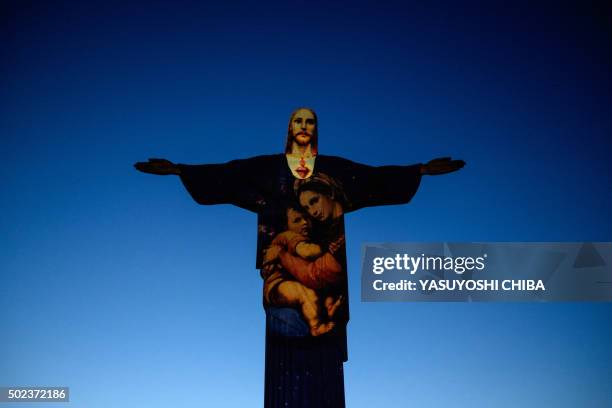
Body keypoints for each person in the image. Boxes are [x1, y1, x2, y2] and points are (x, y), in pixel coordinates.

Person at [134, 107, 465, 407]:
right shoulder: (267, 169)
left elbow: (373, 178)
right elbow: (228, 175)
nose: (304, 126)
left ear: (315, 129)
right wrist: (180, 170)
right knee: (287, 337)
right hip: (283, 290)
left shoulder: (333, 171)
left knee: (323, 349)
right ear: (289, 128)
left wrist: (419, 170)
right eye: (298, 120)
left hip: (327, 283)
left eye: (310, 121)